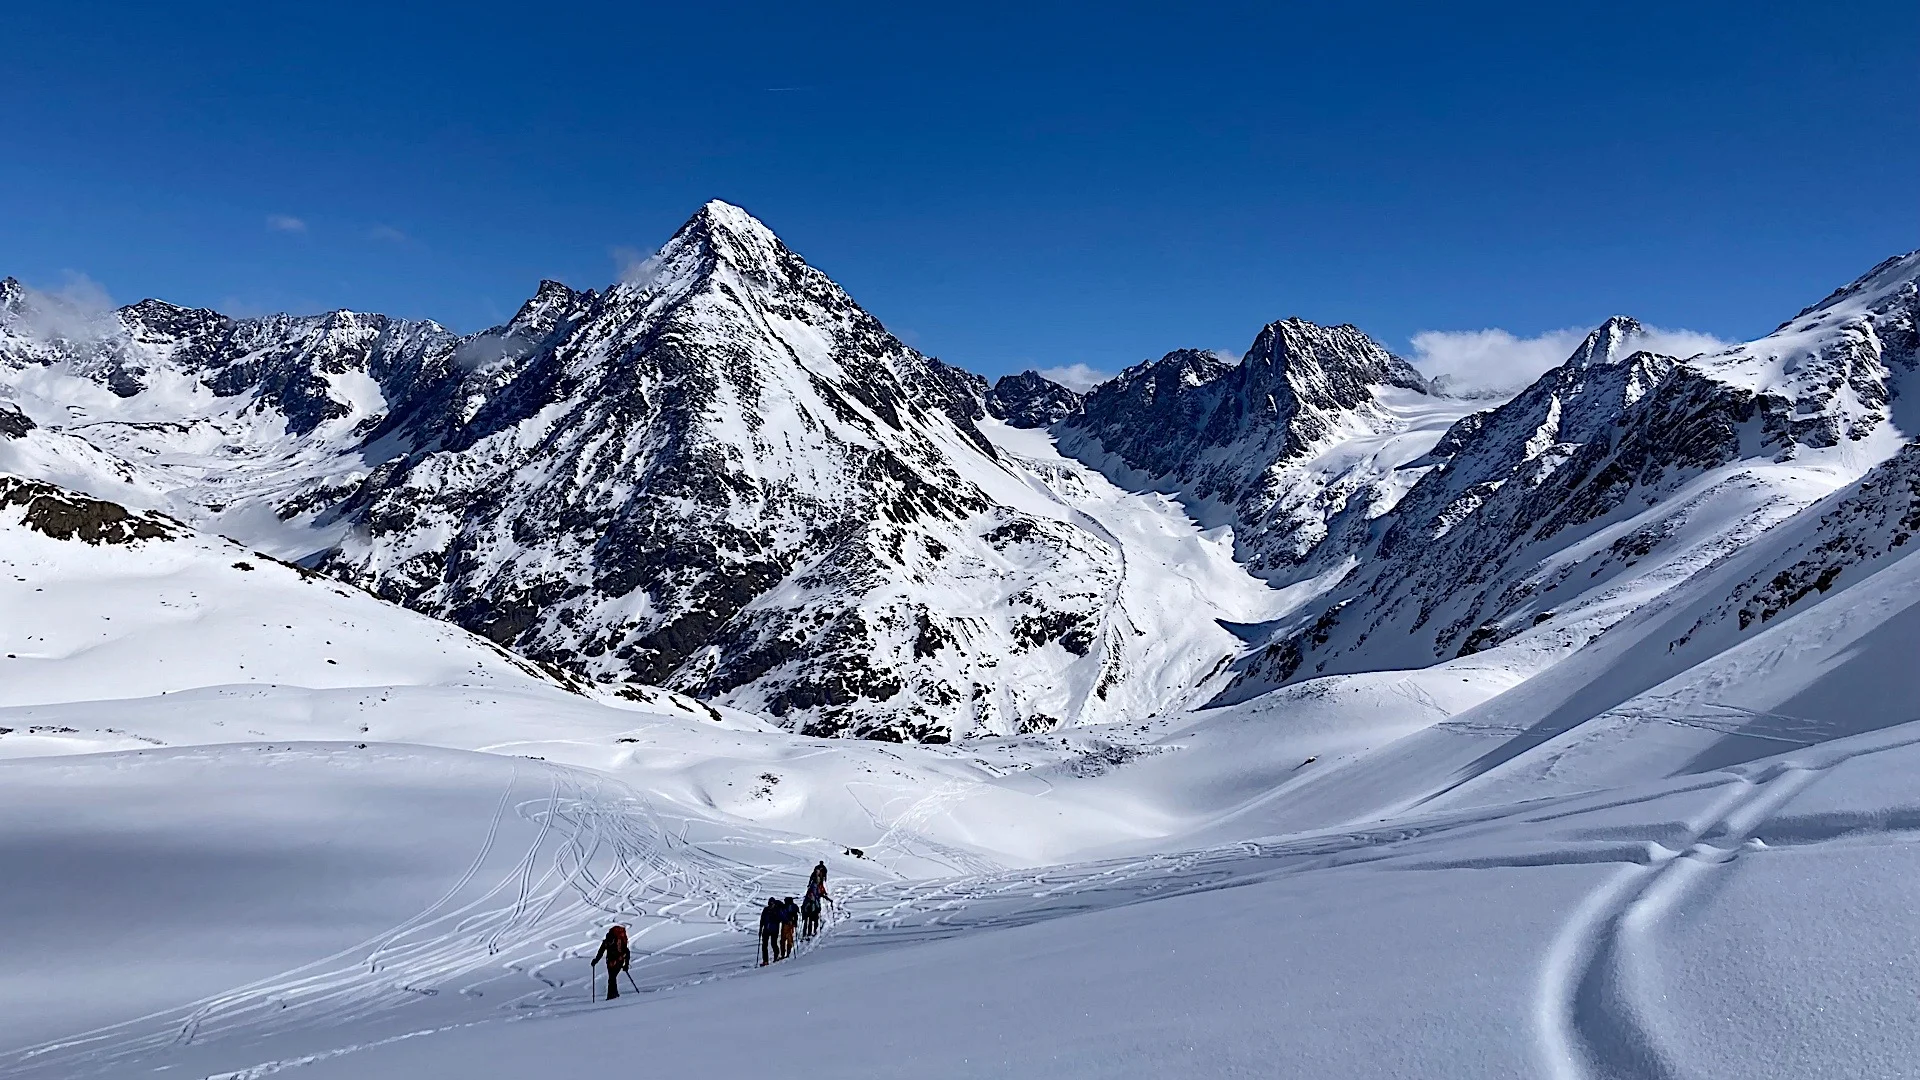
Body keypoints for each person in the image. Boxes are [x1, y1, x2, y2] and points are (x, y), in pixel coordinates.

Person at [592, 924, 630, 1000]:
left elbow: (627, 952)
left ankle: (611, 996)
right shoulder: (606, 942)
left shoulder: (618, 942)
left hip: (619, 960)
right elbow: (601, 952)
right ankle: (614, 994)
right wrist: (596, 960)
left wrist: (626, 964)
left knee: (612, 978)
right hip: (610, 961)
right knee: (612, 978)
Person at [758, 898, 781, 966]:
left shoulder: (777, 910)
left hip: (774, 930)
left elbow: (780, 919)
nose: (771, 905)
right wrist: (760, 929)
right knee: (764, 946)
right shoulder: (766, 910)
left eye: (772, 903)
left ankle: (776, 956)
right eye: (770, 904)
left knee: (773, 944)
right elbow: (762, 920)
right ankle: (765, 961)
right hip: (767, 930)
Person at [778, 896, 799, 960]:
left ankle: (783, 954)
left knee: (783, 939)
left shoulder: (784, 907)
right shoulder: (793, 906)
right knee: (789, 939)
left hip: (785, 924)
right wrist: (795, 923)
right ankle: (788, 953)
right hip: (791, 924)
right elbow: (796, 915)